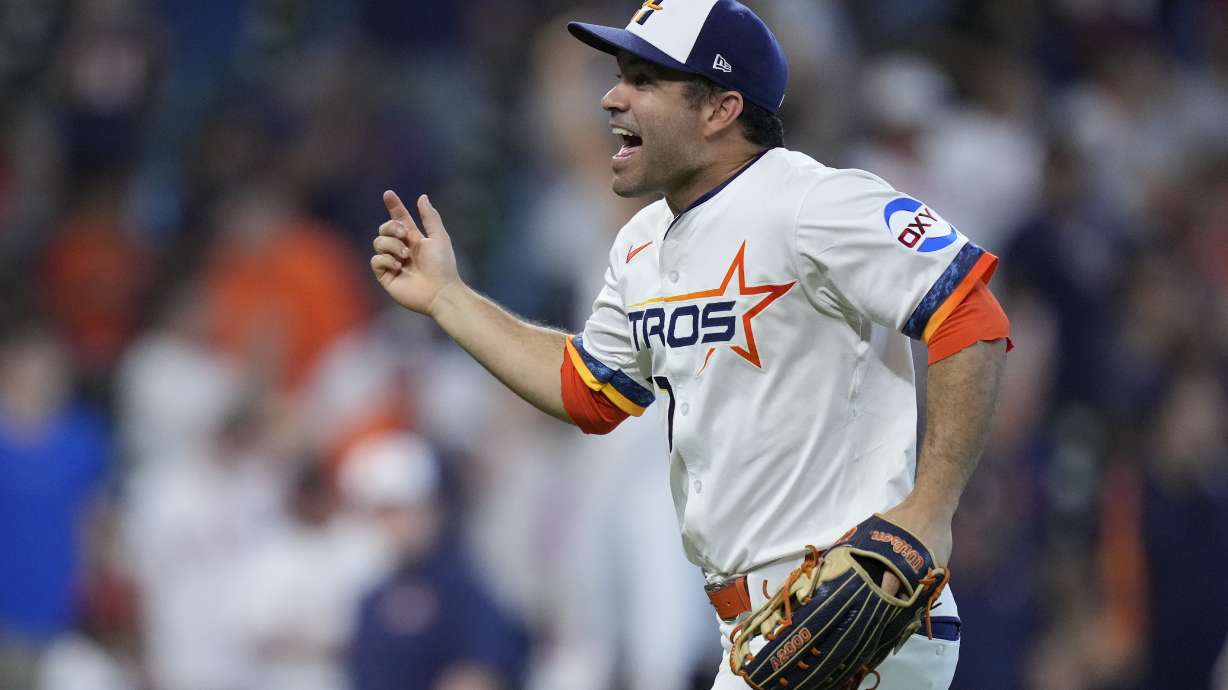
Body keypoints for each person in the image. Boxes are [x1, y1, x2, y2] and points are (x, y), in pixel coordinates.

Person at [368, 2, 1011, 687]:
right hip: (757, 633)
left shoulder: (812, 202)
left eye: (645, 80)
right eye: (619, 76)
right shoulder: (642, 244)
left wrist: (929, 512)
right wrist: (448, 299)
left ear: (719, 110)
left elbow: (972, 315)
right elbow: (587, 390)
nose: (612, 96)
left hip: (851, 608)